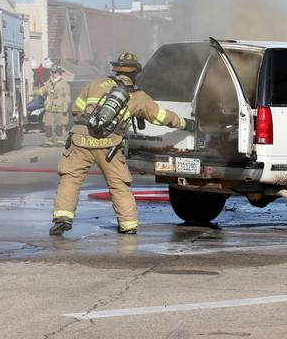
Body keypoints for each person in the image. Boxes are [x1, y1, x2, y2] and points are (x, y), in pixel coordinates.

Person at [50, 52, 195, 236]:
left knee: (70, 178)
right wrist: (184, 123)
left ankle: (62, 219)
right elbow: (161, 117)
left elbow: (76, 110)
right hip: (109, 145)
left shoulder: (94, 84)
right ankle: (128, 225)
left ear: (115, 69)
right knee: (119, 184)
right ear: (135, 74)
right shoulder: (138, 96)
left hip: (80, 139)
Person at [35, 66, 71, 147]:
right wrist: (34, 93)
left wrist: (65, 107)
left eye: (55, 72)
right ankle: (49, 142)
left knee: (60, 126)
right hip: (49, 108)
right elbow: (42, 90)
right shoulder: (48, 83)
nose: (53, 74)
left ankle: (61, 141)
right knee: (47, 125)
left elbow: (67, 96)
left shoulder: (64, 83)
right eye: (52, 72)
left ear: (59, 73)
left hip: (60, 108)